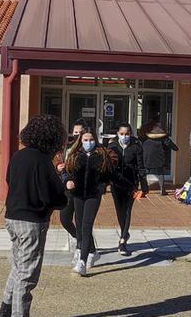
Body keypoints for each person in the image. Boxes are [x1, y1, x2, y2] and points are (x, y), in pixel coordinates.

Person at [0, 114, 68, 317]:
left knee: (18, 267)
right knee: (28, 273)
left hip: (13, 216)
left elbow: (9, 180)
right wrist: (61, 181)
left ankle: (6, 312)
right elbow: (53, 195)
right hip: (32, 221)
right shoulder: (41, 161)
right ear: (52, 137)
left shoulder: (18, 156)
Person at [61, 130, 118, 277]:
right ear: (80, 141)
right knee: (79, 225)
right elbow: (66, 172)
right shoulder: (74, 155)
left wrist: (102, 186)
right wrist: (67, 181)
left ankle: (82, 262)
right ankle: (88, 250)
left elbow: (110, 174)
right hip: (78, 195)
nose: (88, 142)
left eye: (91, 139)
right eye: (85, 140)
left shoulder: (102, 155)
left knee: (86, 226)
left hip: (93, 195)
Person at [105, 123, 143, 255]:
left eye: (127, 134)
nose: (124, 136)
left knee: (127, 210)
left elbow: (140, 167)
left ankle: (122, 241)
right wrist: (105, 183)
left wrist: (143, 185)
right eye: (122, 134)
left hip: (131, 184)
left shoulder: (136, 147)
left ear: (131, 134)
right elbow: (107, 167)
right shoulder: (112, 147)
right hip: (116, 184)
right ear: (117, 134)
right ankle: (125, 233)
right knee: (119, 211)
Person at [58, 119, 86, 258]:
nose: (78, 135)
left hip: (82, 190)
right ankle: (77, 238)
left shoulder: (87, 149)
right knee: (65, 219)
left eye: (81, 133)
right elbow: (60, 162)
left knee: (81, 220)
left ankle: (83, 246)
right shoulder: (67, 147)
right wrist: (60, 169)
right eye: (75, 132)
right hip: (68, 188)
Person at [141, 119, 179, 196]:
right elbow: (169, 143)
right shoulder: (161, 135)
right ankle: (162, 190)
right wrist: (175, 148)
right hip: (158, 156)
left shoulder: (145, 133)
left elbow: (140, 143)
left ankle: (144, 190)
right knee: (160, 173)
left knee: (144, 173)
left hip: (146, 155)